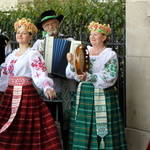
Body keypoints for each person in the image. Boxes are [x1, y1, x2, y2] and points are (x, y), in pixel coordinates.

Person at [0, 18, 61, 150]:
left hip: (25, 94)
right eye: (18, 32)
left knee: (24, 127)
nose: (20, 35)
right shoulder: (11, 55)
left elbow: (40, 73)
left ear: (30, 36)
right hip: (10, 95)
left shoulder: (33, 54)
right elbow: (5, 75)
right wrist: (1, 88)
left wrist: (47, 87)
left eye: (24, 33)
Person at [66, 21, 127, 149]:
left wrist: (88, 76)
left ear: (104, 37)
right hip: (84, 95)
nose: (92, 37)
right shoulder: (83, 50)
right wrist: (72, 64)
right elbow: (71, 74)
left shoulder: (109, 54)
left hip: (103, 94)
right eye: (91, 34)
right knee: (83, 125)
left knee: (103, 127)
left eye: (96, 34)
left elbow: (109, 77)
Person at [32, 10, 77, 149]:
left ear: (58, 24)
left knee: (67, 121)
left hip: (66, 87)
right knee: (48, 121)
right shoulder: (38, 44)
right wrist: (37, 56)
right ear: (43, 28)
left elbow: (79, 61)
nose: (50, 27)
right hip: (47, 89)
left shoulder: (70, 41)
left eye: (53, 23)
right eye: (47, 25)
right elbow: (32, 65)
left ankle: (68, 146)